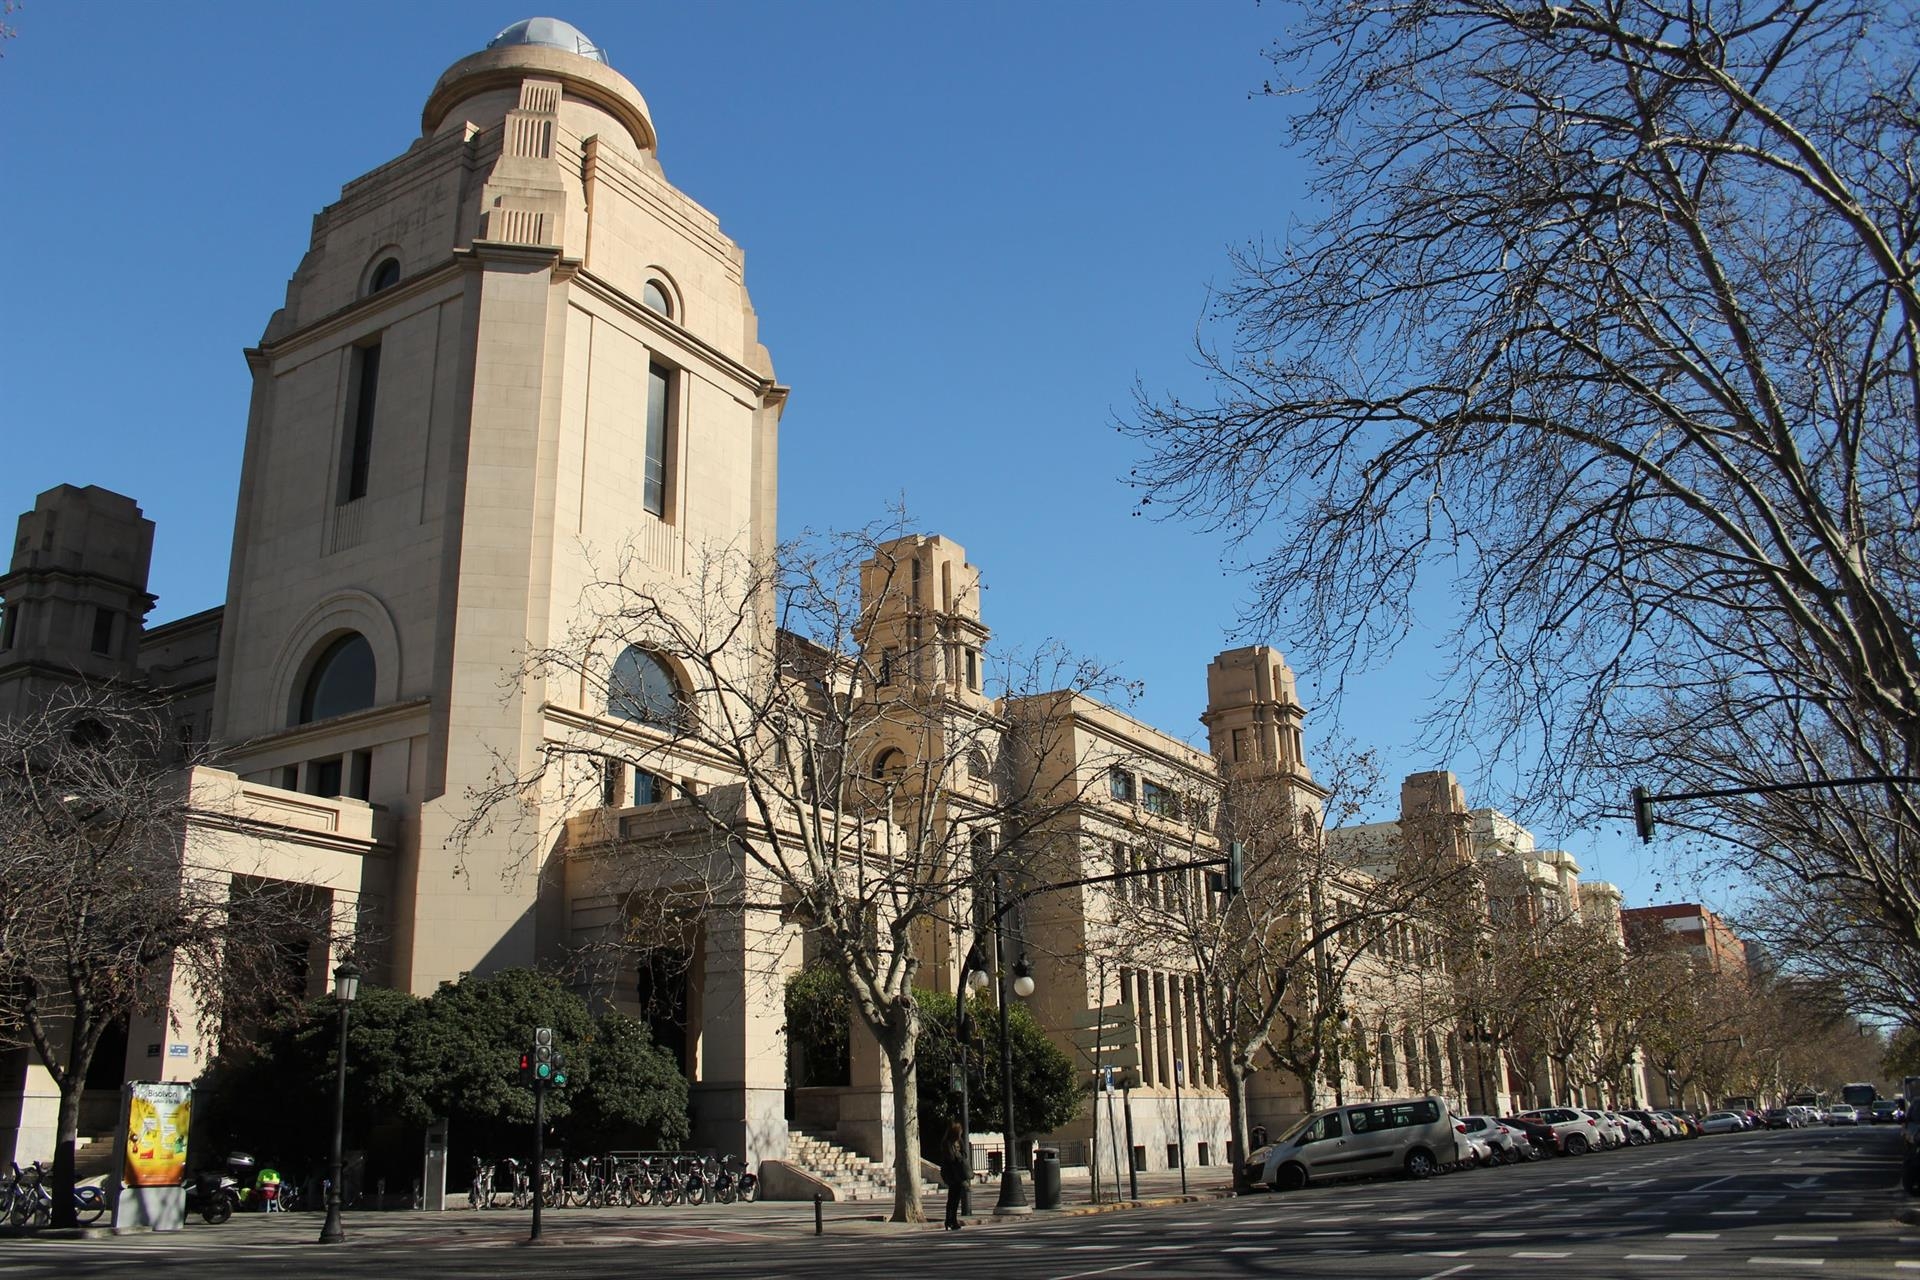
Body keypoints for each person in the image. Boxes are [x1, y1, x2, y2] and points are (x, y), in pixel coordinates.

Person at [940, 1121, 972, 1230]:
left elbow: (964, 1154)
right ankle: (950, 1219)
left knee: (956, 1198)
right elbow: (950, 1158)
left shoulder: (959, 1141)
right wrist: (958, 1157)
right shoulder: (947, 1143)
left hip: (959, 1172)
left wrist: (959, 1156)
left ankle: (951, 1220)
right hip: (951, 1174)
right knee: (952, 1198)